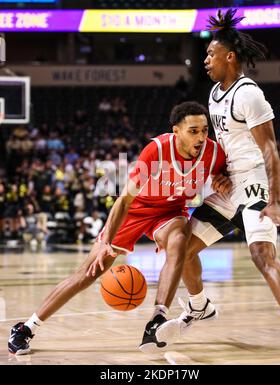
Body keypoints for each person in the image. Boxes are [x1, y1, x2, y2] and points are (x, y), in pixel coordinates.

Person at [8, 101, 231, 355]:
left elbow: (222, 175)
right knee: (89, 272)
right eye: (193, 131)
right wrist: (106, 243)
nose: (201, 137)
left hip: (170, 212)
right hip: (135, 211)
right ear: (176, 131)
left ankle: (157, 319)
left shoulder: (214, 153)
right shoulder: (156, 151)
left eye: (204, 130)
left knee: (180, 240)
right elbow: (124, 200)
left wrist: (221, 180)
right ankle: (27, 328)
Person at [155, 9, 280, 366]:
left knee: (261, 255)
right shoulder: (216, 95)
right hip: (230, 183)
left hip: (254, 183)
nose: (205, 60)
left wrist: (275, 199)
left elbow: (269, 149)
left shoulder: (248, 93)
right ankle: (200, 307)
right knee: (183, 248)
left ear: (229, 57)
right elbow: (224, 146)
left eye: (210, 54)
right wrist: (219, 174)